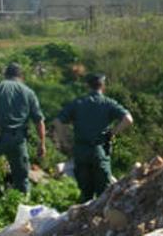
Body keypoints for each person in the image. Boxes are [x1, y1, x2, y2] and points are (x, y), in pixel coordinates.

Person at [55, 74, 133, 203]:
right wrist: (113, 132)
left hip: (81, 152)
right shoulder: (108, 103)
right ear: (102, 86)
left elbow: (58, 122)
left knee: (85, 194)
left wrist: (65, 142)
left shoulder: (78, 103)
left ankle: (82, 220)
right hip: (99, 151)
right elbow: (128, 120)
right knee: (104, 195)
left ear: (88, 86)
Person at [0, 62, 46, 196]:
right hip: (18, 140)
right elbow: (39, 120)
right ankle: (23, 207)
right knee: (22, 177)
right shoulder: (28, 92)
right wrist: (42, 143)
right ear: (21, 76)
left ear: (6, 74)